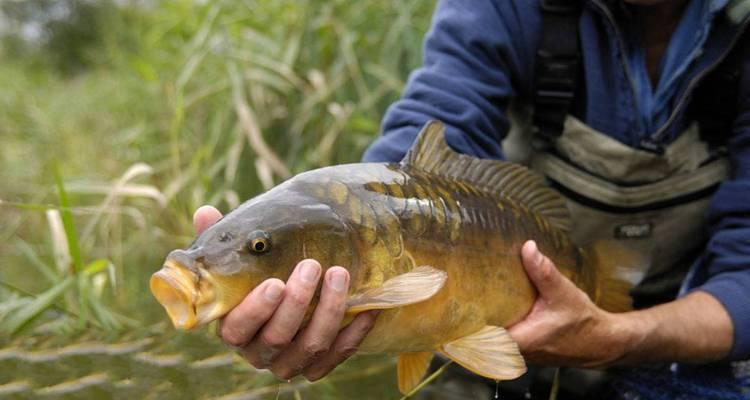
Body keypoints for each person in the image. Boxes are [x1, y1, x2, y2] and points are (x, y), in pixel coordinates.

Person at [194, 0, 750, 397]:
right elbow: (438, 119)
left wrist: (618, 338)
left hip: (696, 307)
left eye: (261, 245)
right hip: (514, 304)